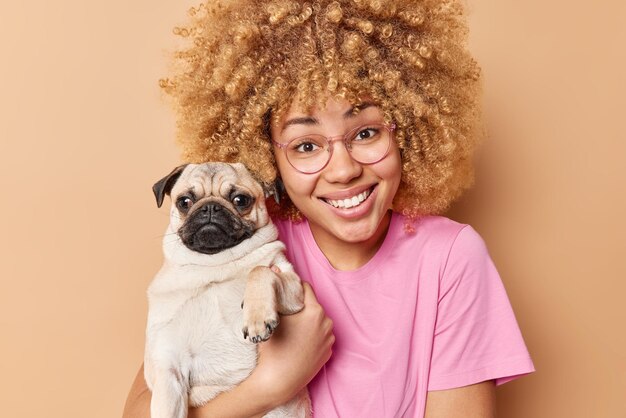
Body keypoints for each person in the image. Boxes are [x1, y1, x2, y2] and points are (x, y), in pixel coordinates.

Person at [123, 0, 535, 417]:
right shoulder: (250, 243)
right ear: (266, 156)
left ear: (408, 131)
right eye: (306, 145)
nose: (343, 169)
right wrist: (271, 386)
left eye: (367, 132)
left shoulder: (449, 258)